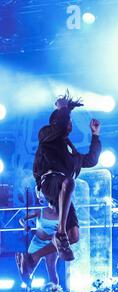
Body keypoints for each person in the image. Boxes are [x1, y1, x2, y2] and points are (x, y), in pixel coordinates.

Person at [16, 90, 102, 281]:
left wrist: (95, 136)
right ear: (55, 122)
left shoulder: (71, 151)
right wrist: (63, 108)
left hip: (63, 191)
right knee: (68, 182)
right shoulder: (46, 134)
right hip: (49, 182)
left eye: (69, 122)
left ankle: (33, 257)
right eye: (67, 121)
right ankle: (60, 232)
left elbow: (91, 160)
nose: (69, 125)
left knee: (75, 236)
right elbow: (61, 128)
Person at [18, 205, 60, 289]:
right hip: (37, 243)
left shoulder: (62, 213)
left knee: (51, 269)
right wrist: (25, 225)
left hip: (51, 244)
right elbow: (22, 219)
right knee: (27, 269)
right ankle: (29, 290)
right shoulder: (39, 211)